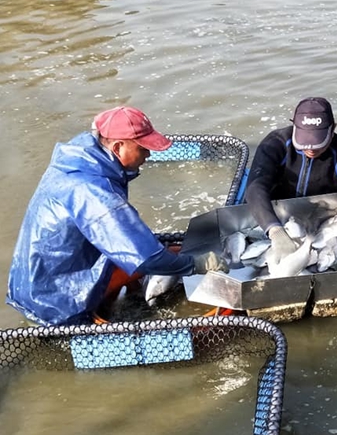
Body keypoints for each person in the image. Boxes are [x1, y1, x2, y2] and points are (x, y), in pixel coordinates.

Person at [6, 106, 228, 327]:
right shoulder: (97, 193)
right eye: (143, 148)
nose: (148, 155)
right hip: (55, 304)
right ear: (118, 147)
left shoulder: (77, 160)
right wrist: (196, 264)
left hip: (29, 284)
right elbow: (146, 258)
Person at [244, 97, 337, 271]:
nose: (311, 148)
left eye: (318, 141)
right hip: (278, 218)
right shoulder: (275, 144)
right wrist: (274, 230)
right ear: (294, 126)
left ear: (333, 129)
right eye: (305, 140)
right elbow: (254, 189)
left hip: (323, 219)